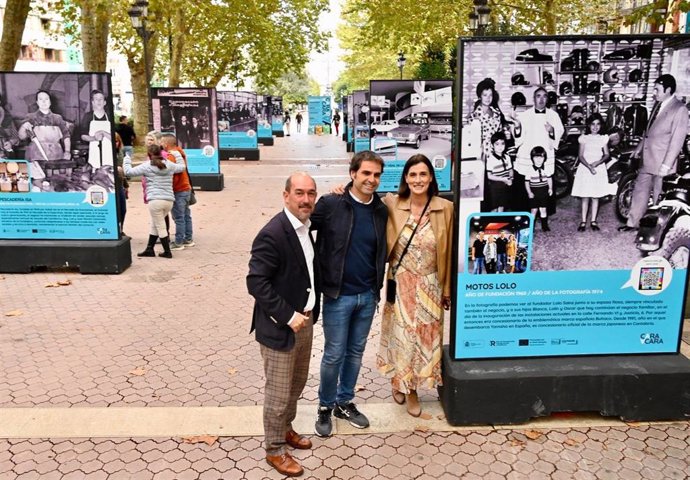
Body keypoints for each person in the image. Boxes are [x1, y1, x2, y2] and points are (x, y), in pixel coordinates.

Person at [246, 172, 320, 478]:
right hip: (281, 326)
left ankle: (286, 429)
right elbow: (256, 282)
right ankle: (274, 449)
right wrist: (288, 316)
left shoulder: (305, 228)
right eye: (299, 193)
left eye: (311, 193)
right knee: (277, 394)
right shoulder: (273, 233)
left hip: (305, 321)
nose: (306, 200)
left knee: (296, 384)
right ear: (286, 195)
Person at [310, 150, 388, 437]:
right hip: (338, 295)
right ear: (353, 173)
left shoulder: (381, 209)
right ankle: (324, 406)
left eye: (377, 175)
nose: (371, 179)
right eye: (366, 173)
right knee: (333, 354)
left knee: (355, 353)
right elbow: (302, 228)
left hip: (367, 295)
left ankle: (345, 402)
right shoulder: (331, 204)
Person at [377, 154, 453, 417]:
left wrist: (446, 289)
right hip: (402, 283)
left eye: (423, 174)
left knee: (426, 339)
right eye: (412, 175)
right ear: (405, 179)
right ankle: (408, 388)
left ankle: (410, 381)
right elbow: (361, 196)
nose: (418, 180)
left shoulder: (445, 208)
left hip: (431, 283)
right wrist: (339, 189)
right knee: (404, 338)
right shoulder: (393, 203)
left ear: (431, 177)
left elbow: (450, 251)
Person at [620, 74, 689, 232]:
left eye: (657, 89)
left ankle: (656, 230)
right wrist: (638, 149)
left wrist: (667, 164)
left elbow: (677, 140)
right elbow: (648, 132)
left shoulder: (679, 109)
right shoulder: (658, 105)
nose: (654, 93)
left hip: (663, 163)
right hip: (648, 159)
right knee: (640, 191)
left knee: (659, 197)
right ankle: (632, 223)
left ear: (668, 90)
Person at [124, 144, 185, 258]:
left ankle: (167, 252)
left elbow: (128, 172)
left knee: (160, 227)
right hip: (168, 201)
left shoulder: (146, 166)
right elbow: (181, 167)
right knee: (155, 224)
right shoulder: (169, 165)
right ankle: (149, 249)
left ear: (149, 154)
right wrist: (177, 155)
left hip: (155, 201)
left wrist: (127, 158)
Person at [510, 87, 564, 201]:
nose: (541, 99)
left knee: (544, 185)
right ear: (533, 99)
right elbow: (517, 136)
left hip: (545, 154)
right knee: (526, 184)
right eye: (538, 96)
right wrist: (517, 127)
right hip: (528, 153)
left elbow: (560, 131)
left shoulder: (553, 115)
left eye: (544, 96)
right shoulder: (524, 115)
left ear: (547, 99)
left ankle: (544, 212)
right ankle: (526, 212)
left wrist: (552, 131)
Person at [18, 90, 72, 189]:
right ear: (37, 102)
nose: (44, 101)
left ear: (50, 102)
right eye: (41, 99)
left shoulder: (58, 118)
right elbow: (21, 137)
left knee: (57, 182)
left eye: (46, 99)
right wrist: (23, 127)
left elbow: (66, 136)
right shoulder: (31, 117)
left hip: (56, 156)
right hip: (36, 155)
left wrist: (67, 151)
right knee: (38, 183)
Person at [571, 113, 611, 232]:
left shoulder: (603, 138)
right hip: (585, 168)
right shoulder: (584, 138)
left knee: (595, 196)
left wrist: (597, 163)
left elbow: (607, 154)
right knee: (585, 196)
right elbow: (580, 155)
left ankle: (593, 220)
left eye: (598, 124)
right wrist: (589, 166)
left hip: (598, 169)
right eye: (593, 124)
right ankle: (583, 221)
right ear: (589, 125)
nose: (595, 127)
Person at [160, 134, 194, 250]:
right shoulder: (180, 153)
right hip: (186, 188)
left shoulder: (171, 156)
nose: (161, 144)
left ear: (166, 144)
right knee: (186, 215)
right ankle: (188, 238)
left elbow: (172, 174)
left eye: (162, 142)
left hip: (178, 189)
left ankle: (179, 242)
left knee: (178, 217)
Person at [470, 78, 505, 161]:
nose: (488, 98)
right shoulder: (475, 116)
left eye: (490, 95)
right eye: (485, 95)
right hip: (482, 155)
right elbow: (472, 140)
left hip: (497, 154)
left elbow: (500, 134)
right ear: (479, 96)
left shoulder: (497, 113)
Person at [80, 89, 113, 169]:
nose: (99, 101)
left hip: (109, 152)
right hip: (94, 151)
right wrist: (94, 138)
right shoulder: (88, 117)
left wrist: (104, 133)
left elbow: (116, 138)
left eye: (101, 99)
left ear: (104, 102)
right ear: (92, 102)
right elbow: (83, 136)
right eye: (96, 99)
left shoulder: (110, 116)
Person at [525, 146, 553, 231]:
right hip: (534, 192)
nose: (539, 159)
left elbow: (549, 178)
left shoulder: (547, 169)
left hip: (544, 191)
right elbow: (526, 182)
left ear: (544, 158)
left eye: (541, 157)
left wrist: (550, 188)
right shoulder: (529, 170)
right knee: (534, 210)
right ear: (532, 158)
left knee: (543, 209)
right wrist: (529, 192)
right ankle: (531, 227)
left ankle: (544, 226)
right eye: (536, 157)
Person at [485, 131, 513, 211]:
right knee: (494, 208)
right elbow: (489, 176)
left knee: (502, 206)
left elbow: (510, 170)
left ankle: (499, 221)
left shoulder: (507, 157)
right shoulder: (491, 159)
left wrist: (511, 178)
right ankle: (491, 222)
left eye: (502, 143)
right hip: (495, 187)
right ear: (492, 145)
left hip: (505, 186)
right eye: (497, 144)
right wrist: (503, 179)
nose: (500, 146)